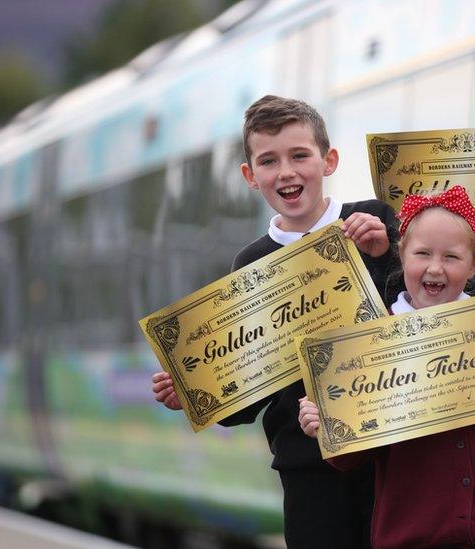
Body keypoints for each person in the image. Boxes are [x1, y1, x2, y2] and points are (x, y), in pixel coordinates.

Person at [152, 95, 399, 548]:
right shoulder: (250, 265)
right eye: (268, 161)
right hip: (308, 466)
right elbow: (246, 393)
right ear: (250, 176)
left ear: (329, 161)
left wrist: (386, 255)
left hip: (394, 453)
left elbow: (425, 304)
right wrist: (190, 388)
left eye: (299, 155)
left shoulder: (377, 221)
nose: (286, 171)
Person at [298, 186, 475, 549]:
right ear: (402, 255)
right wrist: (326, 426)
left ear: (474, 264)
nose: (435, 268)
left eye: (452, 257)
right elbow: (353, 459)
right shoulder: (367, 348)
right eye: (422, 253)